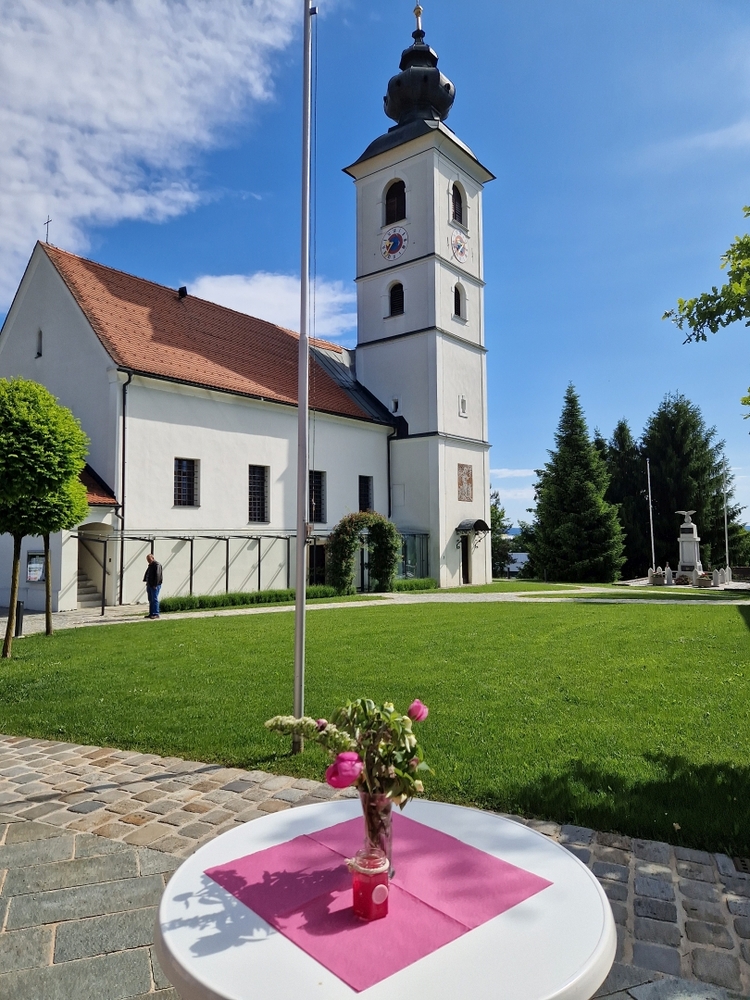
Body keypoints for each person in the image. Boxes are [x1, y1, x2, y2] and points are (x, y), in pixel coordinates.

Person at [143, 553, 163, 619]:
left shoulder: (157, 565)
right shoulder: (150, 566)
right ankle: (151, 613)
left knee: (154, 599)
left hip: (155, 585)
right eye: (147, 559)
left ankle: (156, 614)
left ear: (153, 558)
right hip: (149, 584)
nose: (148, 561)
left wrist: (155, 584)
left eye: (149, 559)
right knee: (150, 599)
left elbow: (158, 575)